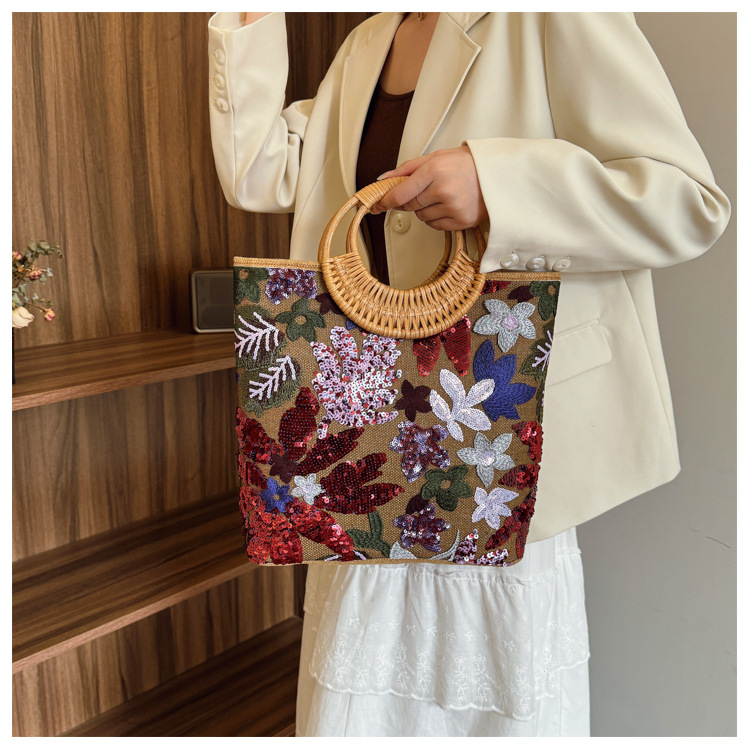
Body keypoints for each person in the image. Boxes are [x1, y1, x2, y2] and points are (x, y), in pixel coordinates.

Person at [208, 12, 730, 737]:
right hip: (367, 449)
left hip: (494, 449)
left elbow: (687, 201)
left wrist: (500, 185)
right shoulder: (368, 40)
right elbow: (263, 171)